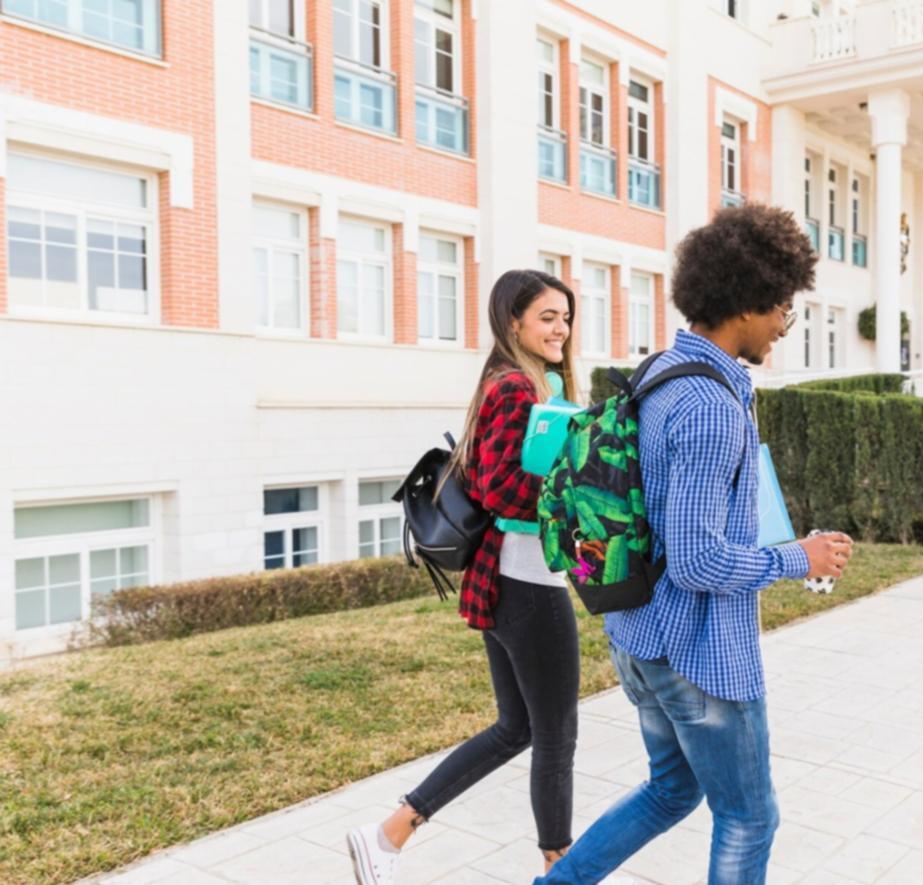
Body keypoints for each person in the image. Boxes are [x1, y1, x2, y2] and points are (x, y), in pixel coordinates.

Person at [539, 205, 853, 884]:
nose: (784, 325)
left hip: (637, 636)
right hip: (698, 655)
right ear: (747, 301)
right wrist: (800, 557)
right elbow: (697, 561)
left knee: (672, 788)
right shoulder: (711, 407)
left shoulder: (662, 371)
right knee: (749, 817)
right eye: (783, 308)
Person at [346, 269, 582, 884]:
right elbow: (501, 487)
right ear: (513, 322)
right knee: (555, 736)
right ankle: (560, 870)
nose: (560, 328)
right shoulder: (515, 388)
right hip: (526, 583)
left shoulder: (516, 382)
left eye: (565, 317)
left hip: (506, 582)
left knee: (517, 728)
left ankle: (388, 834)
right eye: (547, 317)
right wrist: (573, 491)